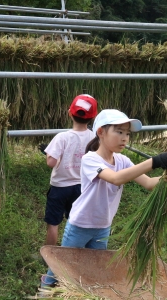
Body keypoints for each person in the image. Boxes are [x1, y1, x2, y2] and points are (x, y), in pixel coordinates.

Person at [41, 109, 167, 288]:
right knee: (62, 265)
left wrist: (164, 178)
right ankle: (45, 289)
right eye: (119, 131)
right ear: (100, 132)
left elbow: (148, 183)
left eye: (127, 134)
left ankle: (85, 291)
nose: (124, 138)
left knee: (96, 267)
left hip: (103, 227)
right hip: (80, 225)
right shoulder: (90, 159)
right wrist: (155, 161)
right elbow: (116, 178)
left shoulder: (122, 160)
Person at [40, 94, 98, 246]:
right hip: (82, 188)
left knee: (53, 223)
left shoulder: (62, 137)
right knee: (75, 222)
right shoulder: (94, 138)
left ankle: (50, 255)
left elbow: (51, 163)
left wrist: (48, 153)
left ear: (69, 113)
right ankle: (73, 253)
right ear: (94, 117)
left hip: (59, 187)